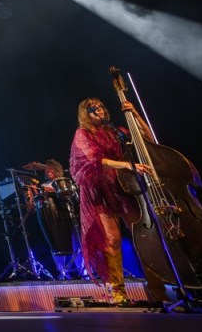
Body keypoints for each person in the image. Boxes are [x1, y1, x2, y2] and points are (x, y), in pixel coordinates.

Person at [69, 97, 163, 304]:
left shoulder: (115, 131)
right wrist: (127, 165)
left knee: (143, 236)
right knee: (112, 239)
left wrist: (134, 113)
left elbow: (148, 140)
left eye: (101, 106)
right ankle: (118, 293)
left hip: (123, 186)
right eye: (93, 108)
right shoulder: (83, 134)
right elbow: (94, 160)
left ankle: (158, 290)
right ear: (85, 114)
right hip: (99, 190)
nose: (99, 110)